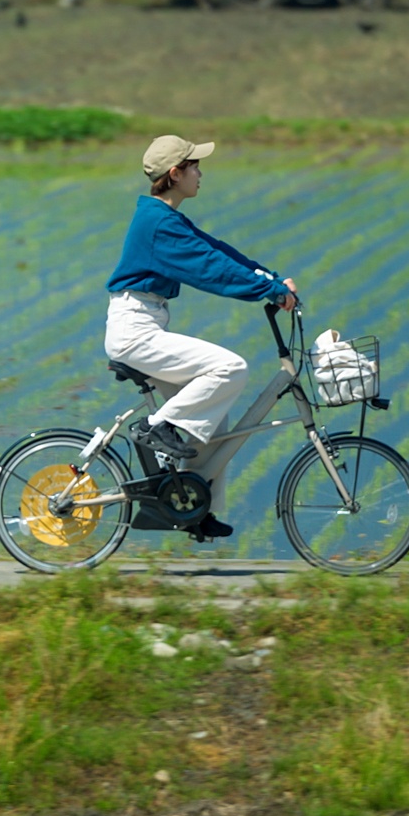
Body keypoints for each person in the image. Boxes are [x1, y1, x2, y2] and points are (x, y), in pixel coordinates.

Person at [105, 135, 298, 541]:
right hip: (135, 330)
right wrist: (269, 291)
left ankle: (192, 507)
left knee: (217, 417)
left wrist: (272, 280)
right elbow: (210, 269)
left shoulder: (165, 218)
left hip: (146, 324)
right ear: (175, 174)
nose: (200, 173)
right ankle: (158, 428)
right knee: (231, 367)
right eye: (194, 166)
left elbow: (218, 251)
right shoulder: (158, 224)